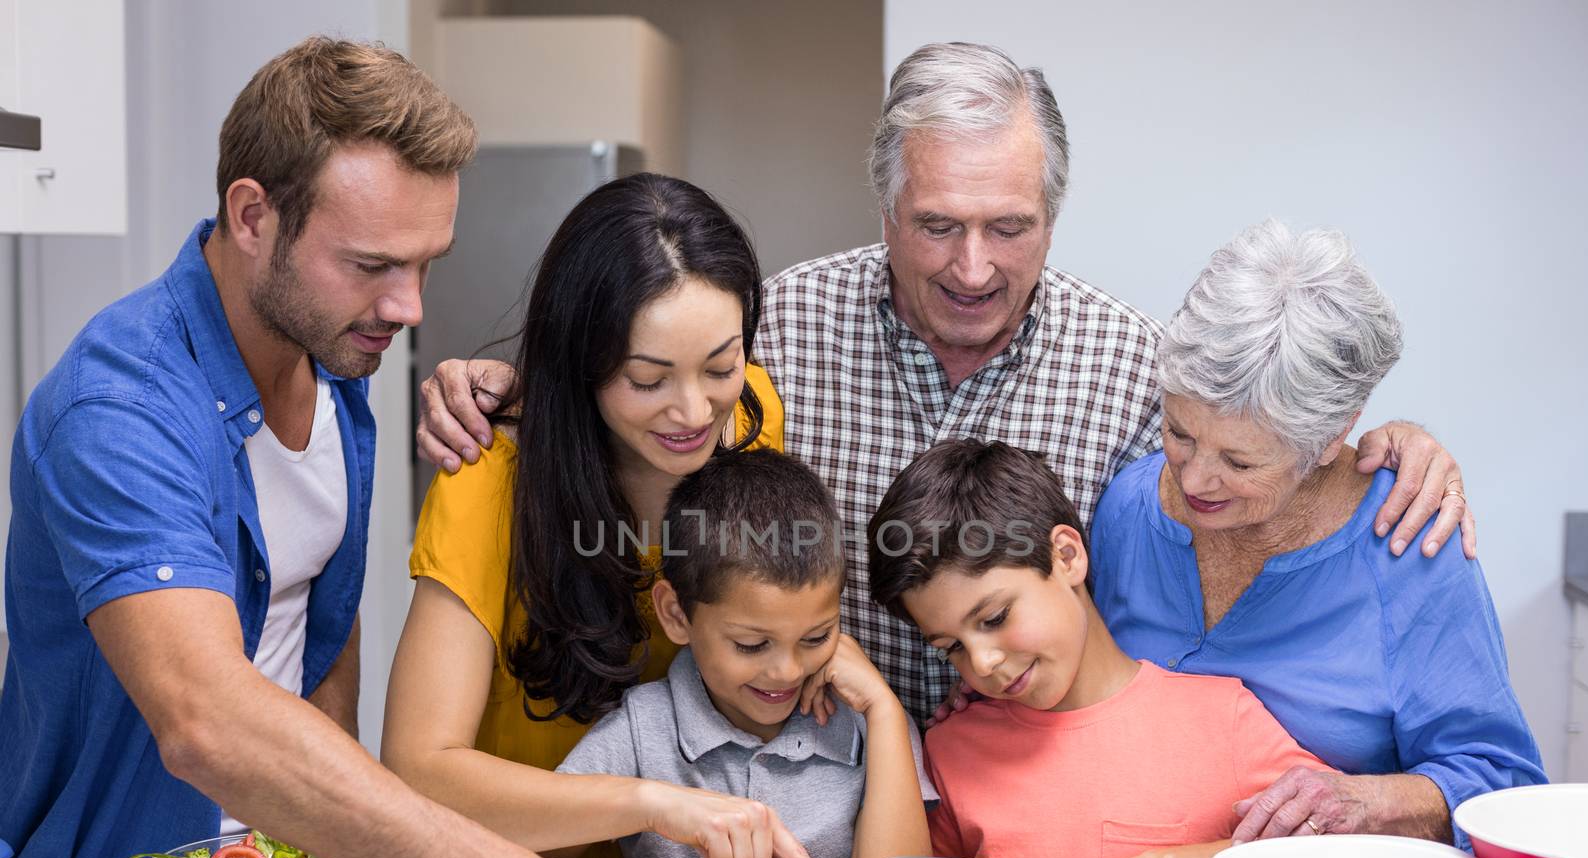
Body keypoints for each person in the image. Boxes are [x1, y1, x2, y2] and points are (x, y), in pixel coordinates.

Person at [0, 38, 788, 858]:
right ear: (253, 217)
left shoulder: (334, 368)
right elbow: (206, 719)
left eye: (424, 264)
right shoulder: (116, 413)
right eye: (372, 264)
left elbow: (319, 641)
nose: (409, 310)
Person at [416, 42, 1475, 722]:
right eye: (937, 227)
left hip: (1034, 810)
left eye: (1008, 229)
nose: (973, 268)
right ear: (884, 209)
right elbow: (642, 385)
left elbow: (1242, 496)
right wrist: (517, 380)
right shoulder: (771, 332)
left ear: (1052, 216)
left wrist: (1375, 451)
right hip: (811, 802)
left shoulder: (1136, 369)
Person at [381, 173, 829, 858]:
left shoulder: (751, 418)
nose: (694, 411)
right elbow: (417, 775)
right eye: (647, 380)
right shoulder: (489, 483)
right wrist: (651, 803)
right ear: (578, 365)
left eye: (721, 366)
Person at [1089, 220, 1545, 847]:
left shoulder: (1409, 542)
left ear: (1333, 437)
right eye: (1180, 433)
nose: (1195, 478)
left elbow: (1504, 785)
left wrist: (1366, 801)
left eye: (1241, 463)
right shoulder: (1127, 509)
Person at [866, 440, 1331, 858]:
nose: (982, 663)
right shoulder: (951, 749)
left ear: (1066, 556)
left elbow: (1355, 854)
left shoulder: (1225, 721)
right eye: (950, 647)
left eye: (995, 617)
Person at [550, 449, 936, 858]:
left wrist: (882, 711)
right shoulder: (641, 728)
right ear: (675, 614)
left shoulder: (869, 723)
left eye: (816, 638)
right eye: (752, 644)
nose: (787, 672)